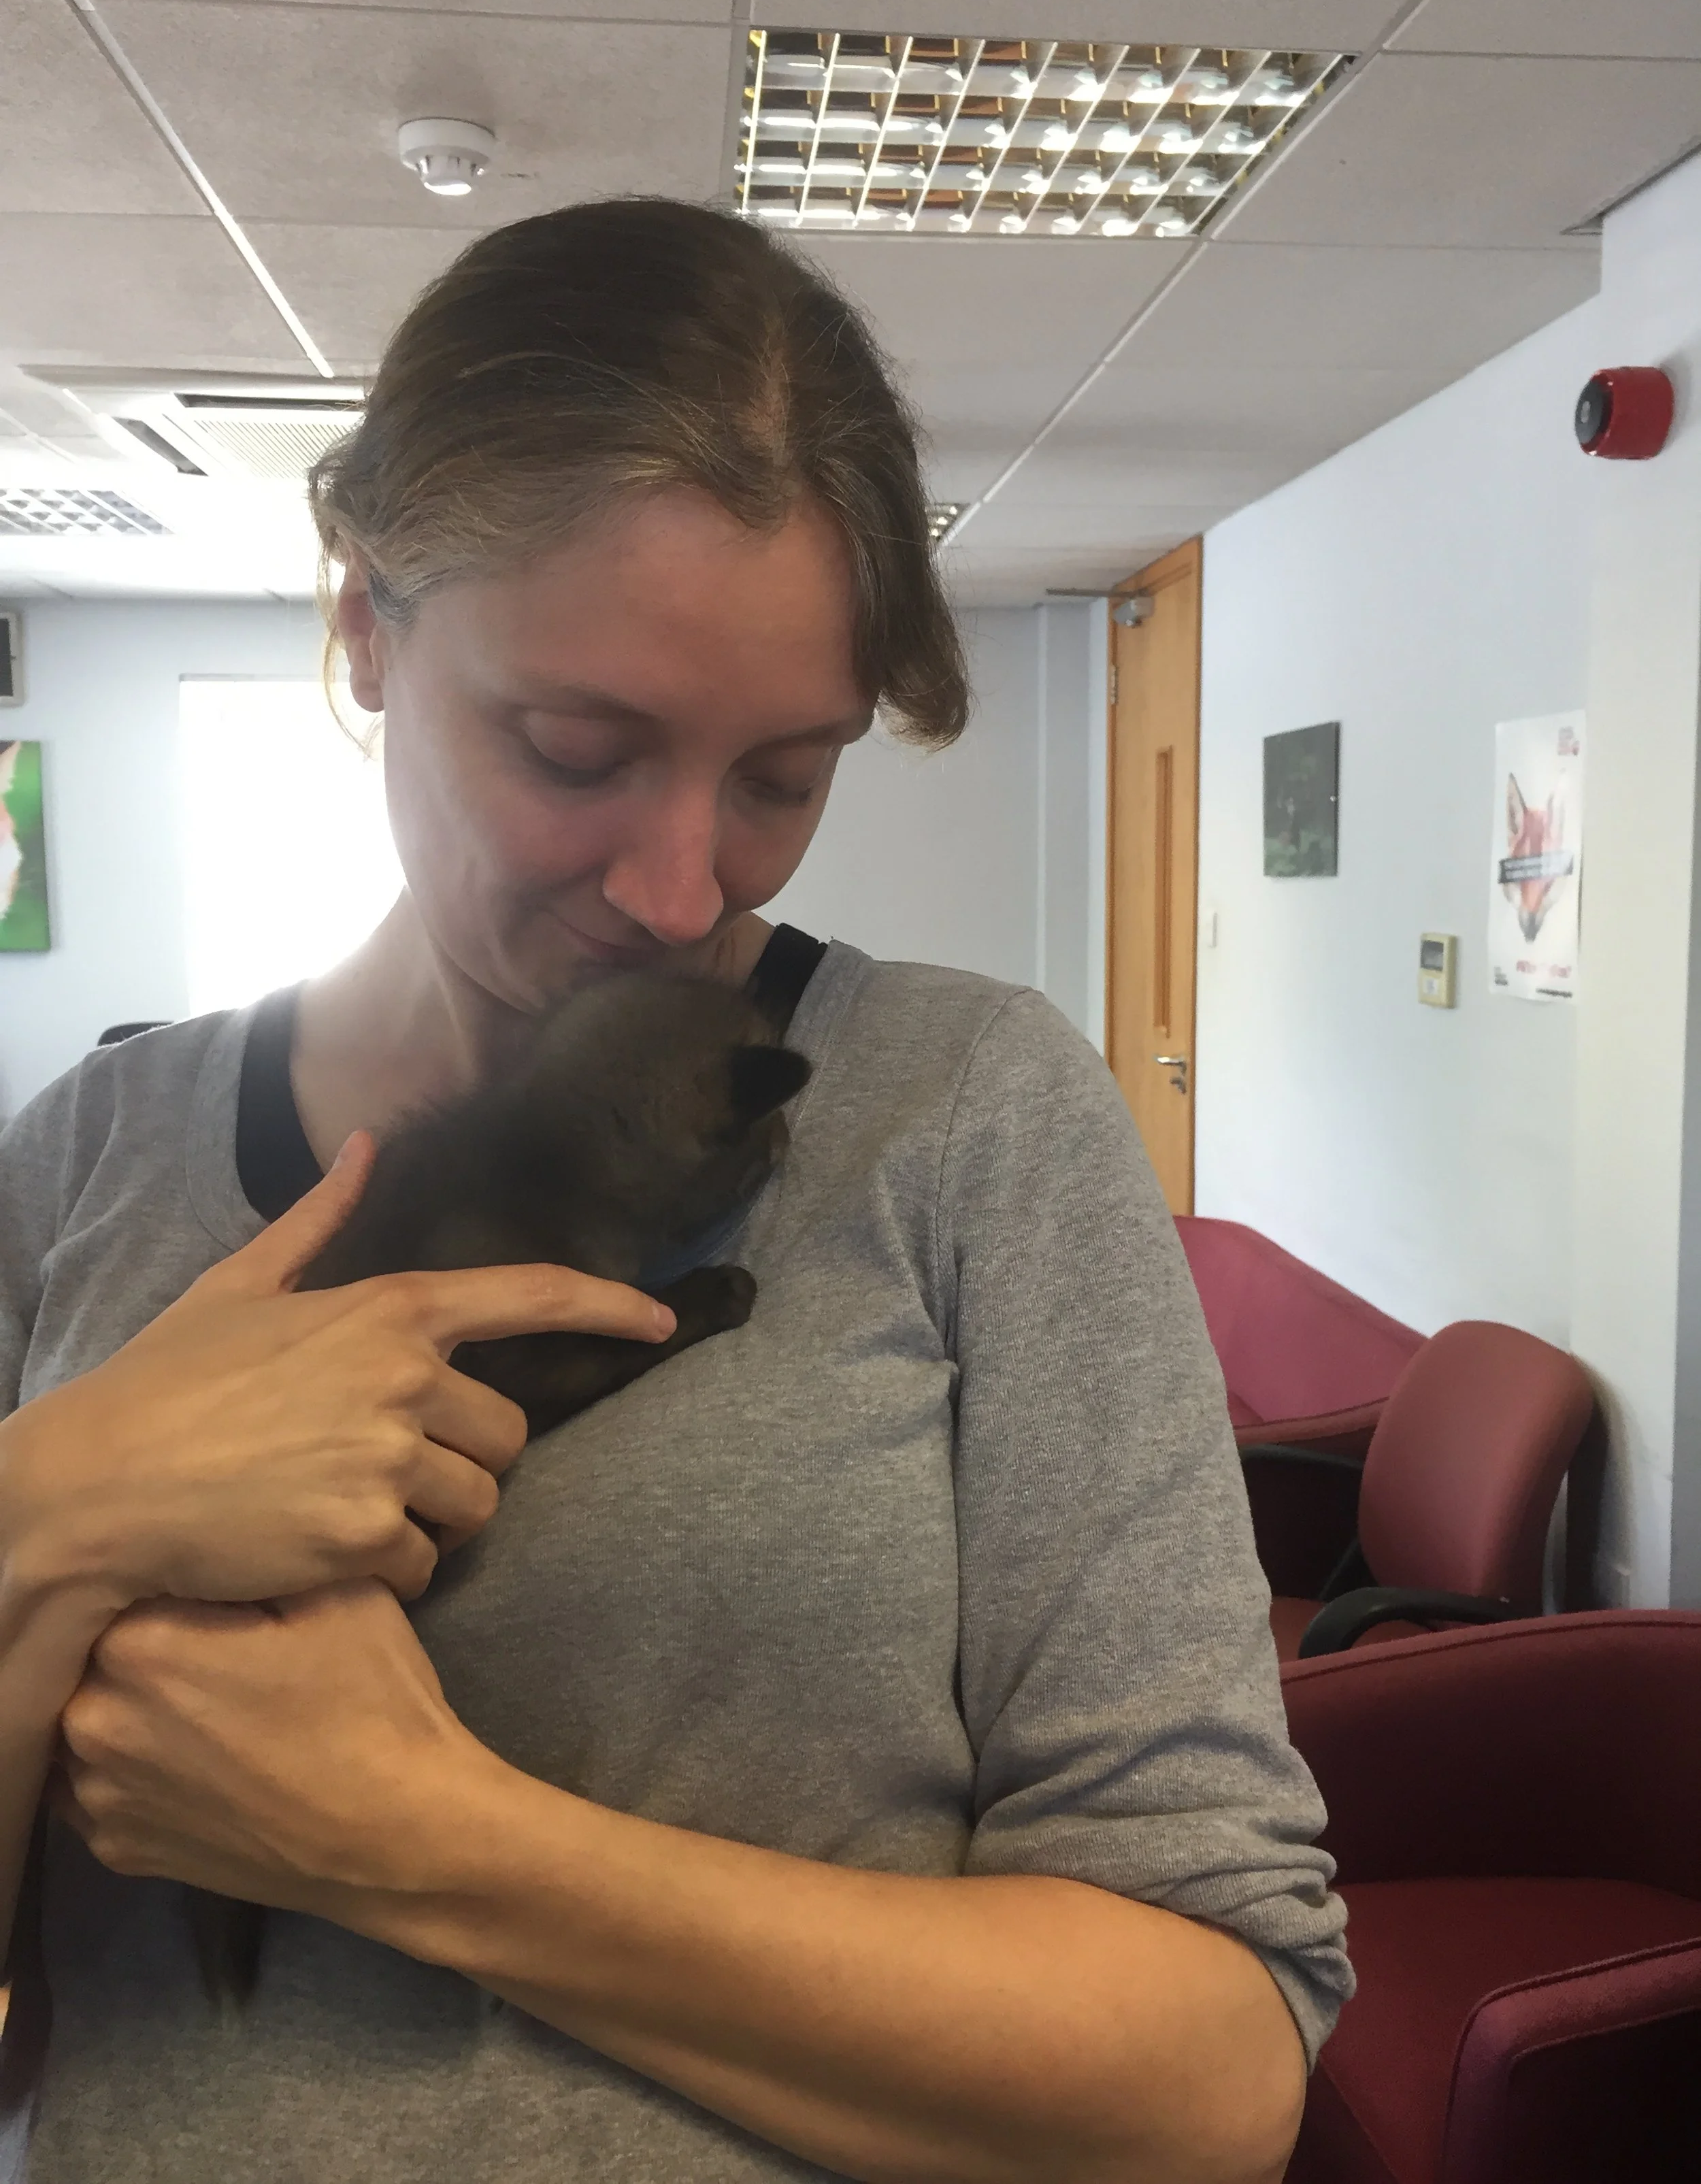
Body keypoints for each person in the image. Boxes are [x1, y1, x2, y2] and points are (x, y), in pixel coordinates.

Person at [0, 199, 1349, 2184]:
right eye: (575, 750)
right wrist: (50, 1514)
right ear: (363, 622)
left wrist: (429, 1843)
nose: (678, 890)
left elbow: (1210, 2080)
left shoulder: (965, 1116)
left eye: (783, 777)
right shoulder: (83, 1166)